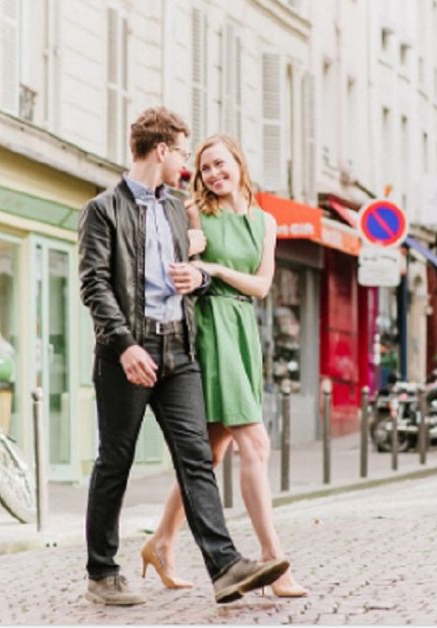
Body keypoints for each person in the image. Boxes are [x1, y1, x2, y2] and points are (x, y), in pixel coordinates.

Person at [78, 108, 288, 606]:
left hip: (180, 348)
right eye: (183, 153)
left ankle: (225, 567)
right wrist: (124, 344)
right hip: (128, 353)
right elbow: (94, 285)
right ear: (162, 152)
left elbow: (195, 272)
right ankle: (102, 572)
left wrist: (201, 276)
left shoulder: (177, 208)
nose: (189, 168)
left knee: (197, 458)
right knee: (116, 462)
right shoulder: (103, 209)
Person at [139, 134, 308, 598]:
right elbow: (183, 269)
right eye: (205, 167)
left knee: (209, 456)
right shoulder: (196, 213)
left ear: (239, 161)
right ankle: (275, 562)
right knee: (254, 442)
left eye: (220, 164)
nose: (214, 174)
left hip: (242, 330)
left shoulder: (265, 221)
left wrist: (217, 270)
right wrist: (200, 266)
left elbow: (261, 286)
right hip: (210, 330)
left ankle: (161, 542)